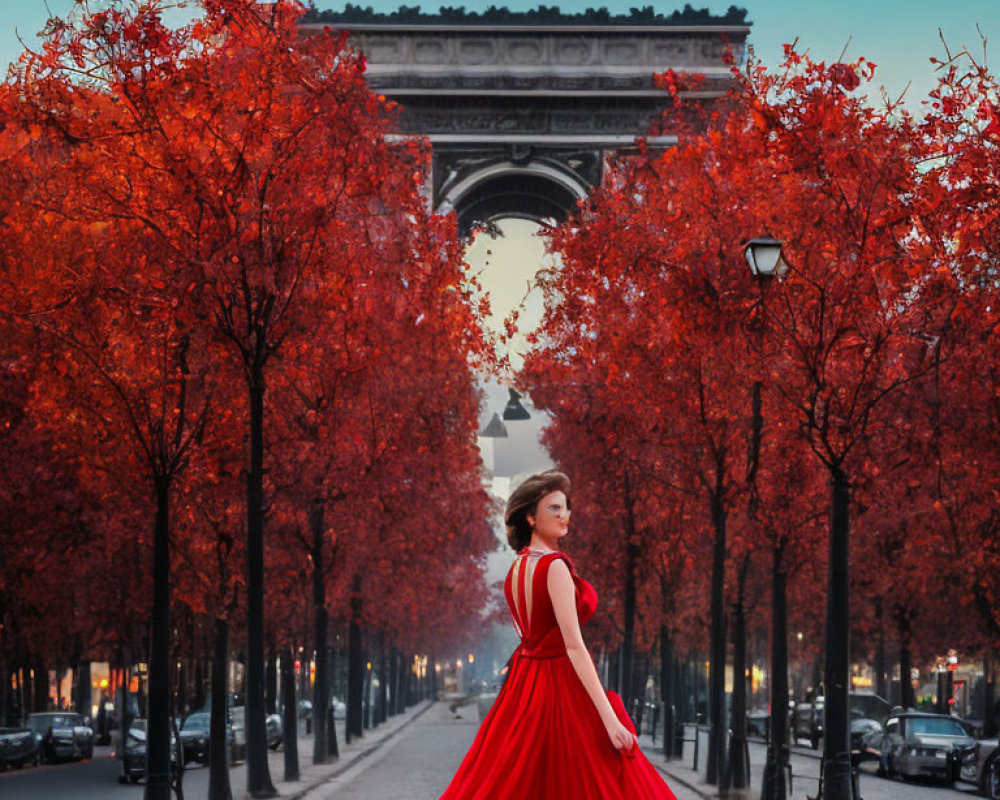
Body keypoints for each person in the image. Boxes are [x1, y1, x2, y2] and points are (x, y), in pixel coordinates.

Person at [440, 470, 677, 799]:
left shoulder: (517, 568)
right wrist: (608, 718)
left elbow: (530, 635)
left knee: (519, 778)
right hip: (560, 683)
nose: (564, 516)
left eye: (565, 508)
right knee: (603, 779)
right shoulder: (554, 567)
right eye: (553, 508)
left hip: (524, 685)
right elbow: (574, 646)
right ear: (530, 517)